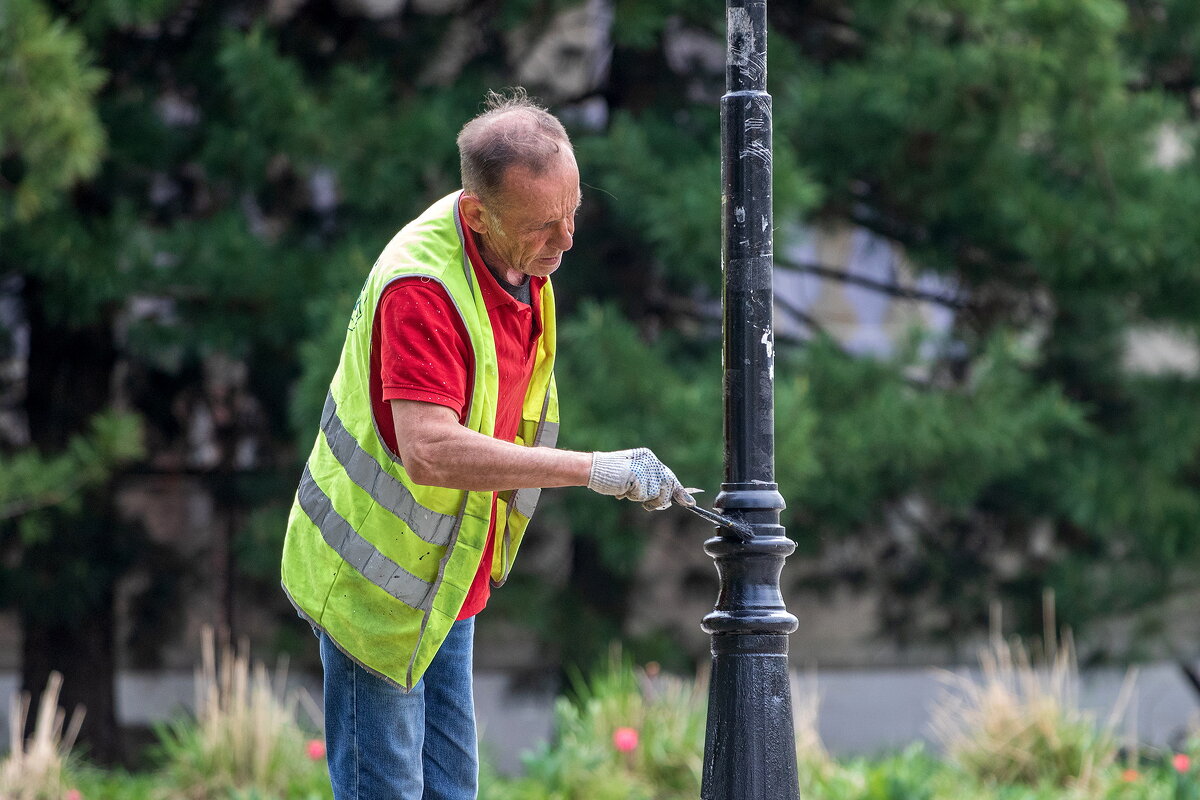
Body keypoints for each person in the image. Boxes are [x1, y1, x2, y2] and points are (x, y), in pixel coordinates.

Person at [280, 88, 694, 800]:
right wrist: (593, 470)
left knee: (452, 789)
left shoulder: (520, 257)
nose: (565, 241)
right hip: (373, 593)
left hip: (445, 582)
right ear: (477, 213)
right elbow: (431, 450)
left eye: (572, 215)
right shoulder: (423, 288)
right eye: (544, 226)